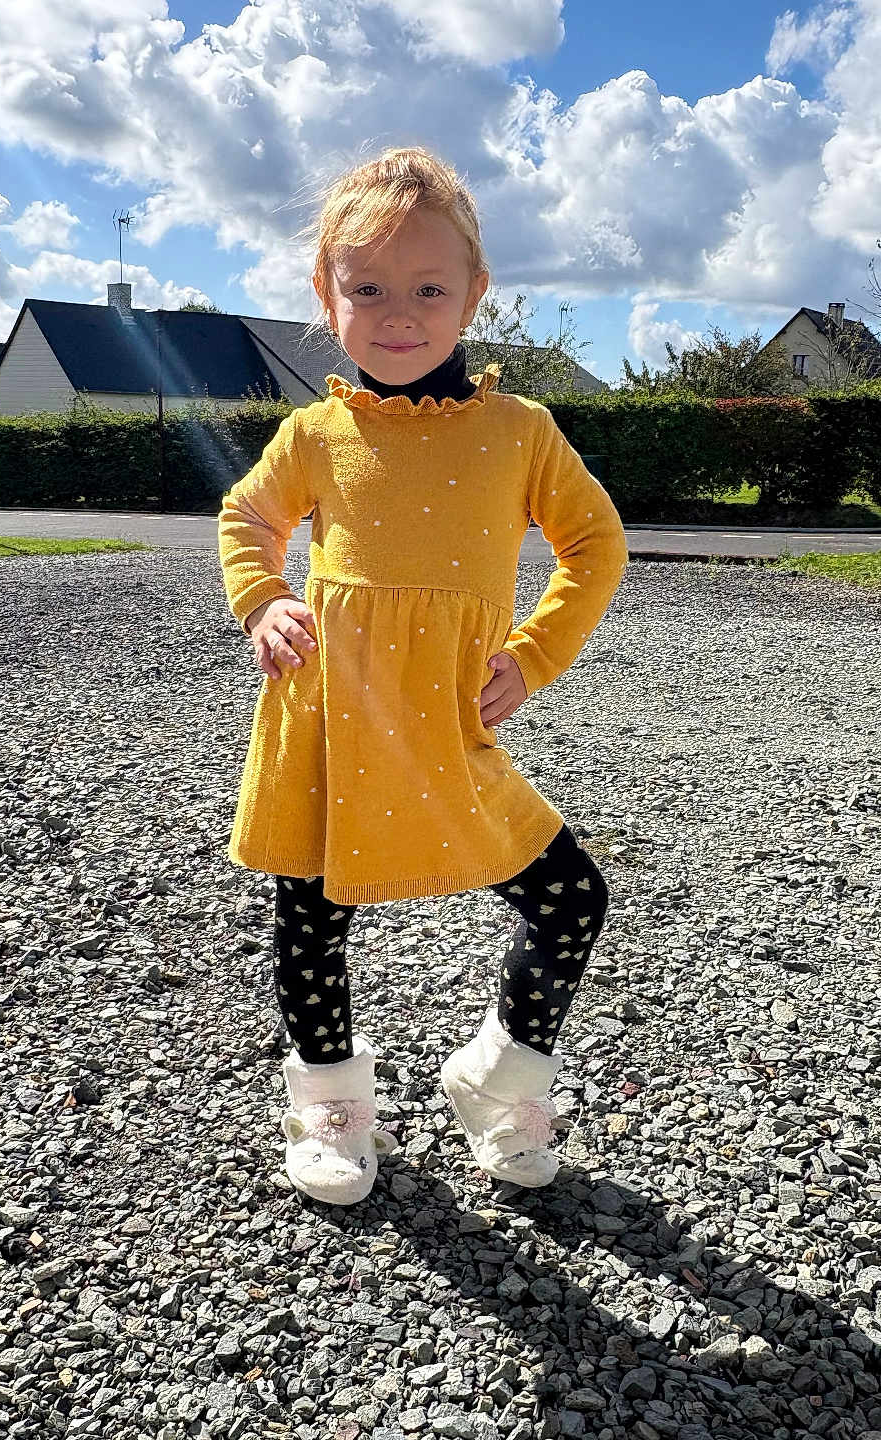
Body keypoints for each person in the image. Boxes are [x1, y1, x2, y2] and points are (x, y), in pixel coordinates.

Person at [218, 146, 629, 1206]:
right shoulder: (315, 433)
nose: (398, 314)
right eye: (367, 289)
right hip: (326, 725)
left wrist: (534, 655)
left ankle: (498, 1082)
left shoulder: (521, 432)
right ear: (327, 295)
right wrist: (264, 600)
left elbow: (597, 546)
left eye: (429, 288)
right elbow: (247, 519)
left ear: (475, 296)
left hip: (450, 732)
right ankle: (331, 1109)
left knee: (571, 897)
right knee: (312, 921)